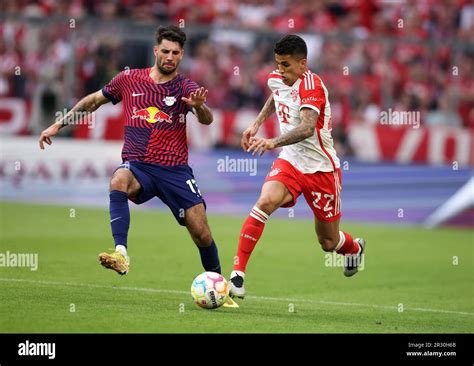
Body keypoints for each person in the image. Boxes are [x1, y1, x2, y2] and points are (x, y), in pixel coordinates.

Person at [38, 26, 223, 278]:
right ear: (156, 50)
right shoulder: (128, 79)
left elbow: (207, 120)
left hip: (174, 169)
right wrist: (59, 124)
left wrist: (200, 108)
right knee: (118, 180)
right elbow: (93, 101)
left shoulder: (185, 87)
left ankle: (220, 284)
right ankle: (121, 254)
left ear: (181, 55)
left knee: (201, 232)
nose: (170, 57)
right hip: (139, 167)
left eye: (176, 53)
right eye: (166, 51)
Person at [228, 35, 365, 299]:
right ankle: (237, 276)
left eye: (286, 65)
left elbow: (306, 127)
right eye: (278, 64)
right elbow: (275, 94)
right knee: (265, 202)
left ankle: (354, 250)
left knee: (328, 242)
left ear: (303, 64)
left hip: (322, 169)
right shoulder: (278, 76)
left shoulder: (313, 86)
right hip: (291, 160)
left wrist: (271, 141)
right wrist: (255, 124)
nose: (281, 70)